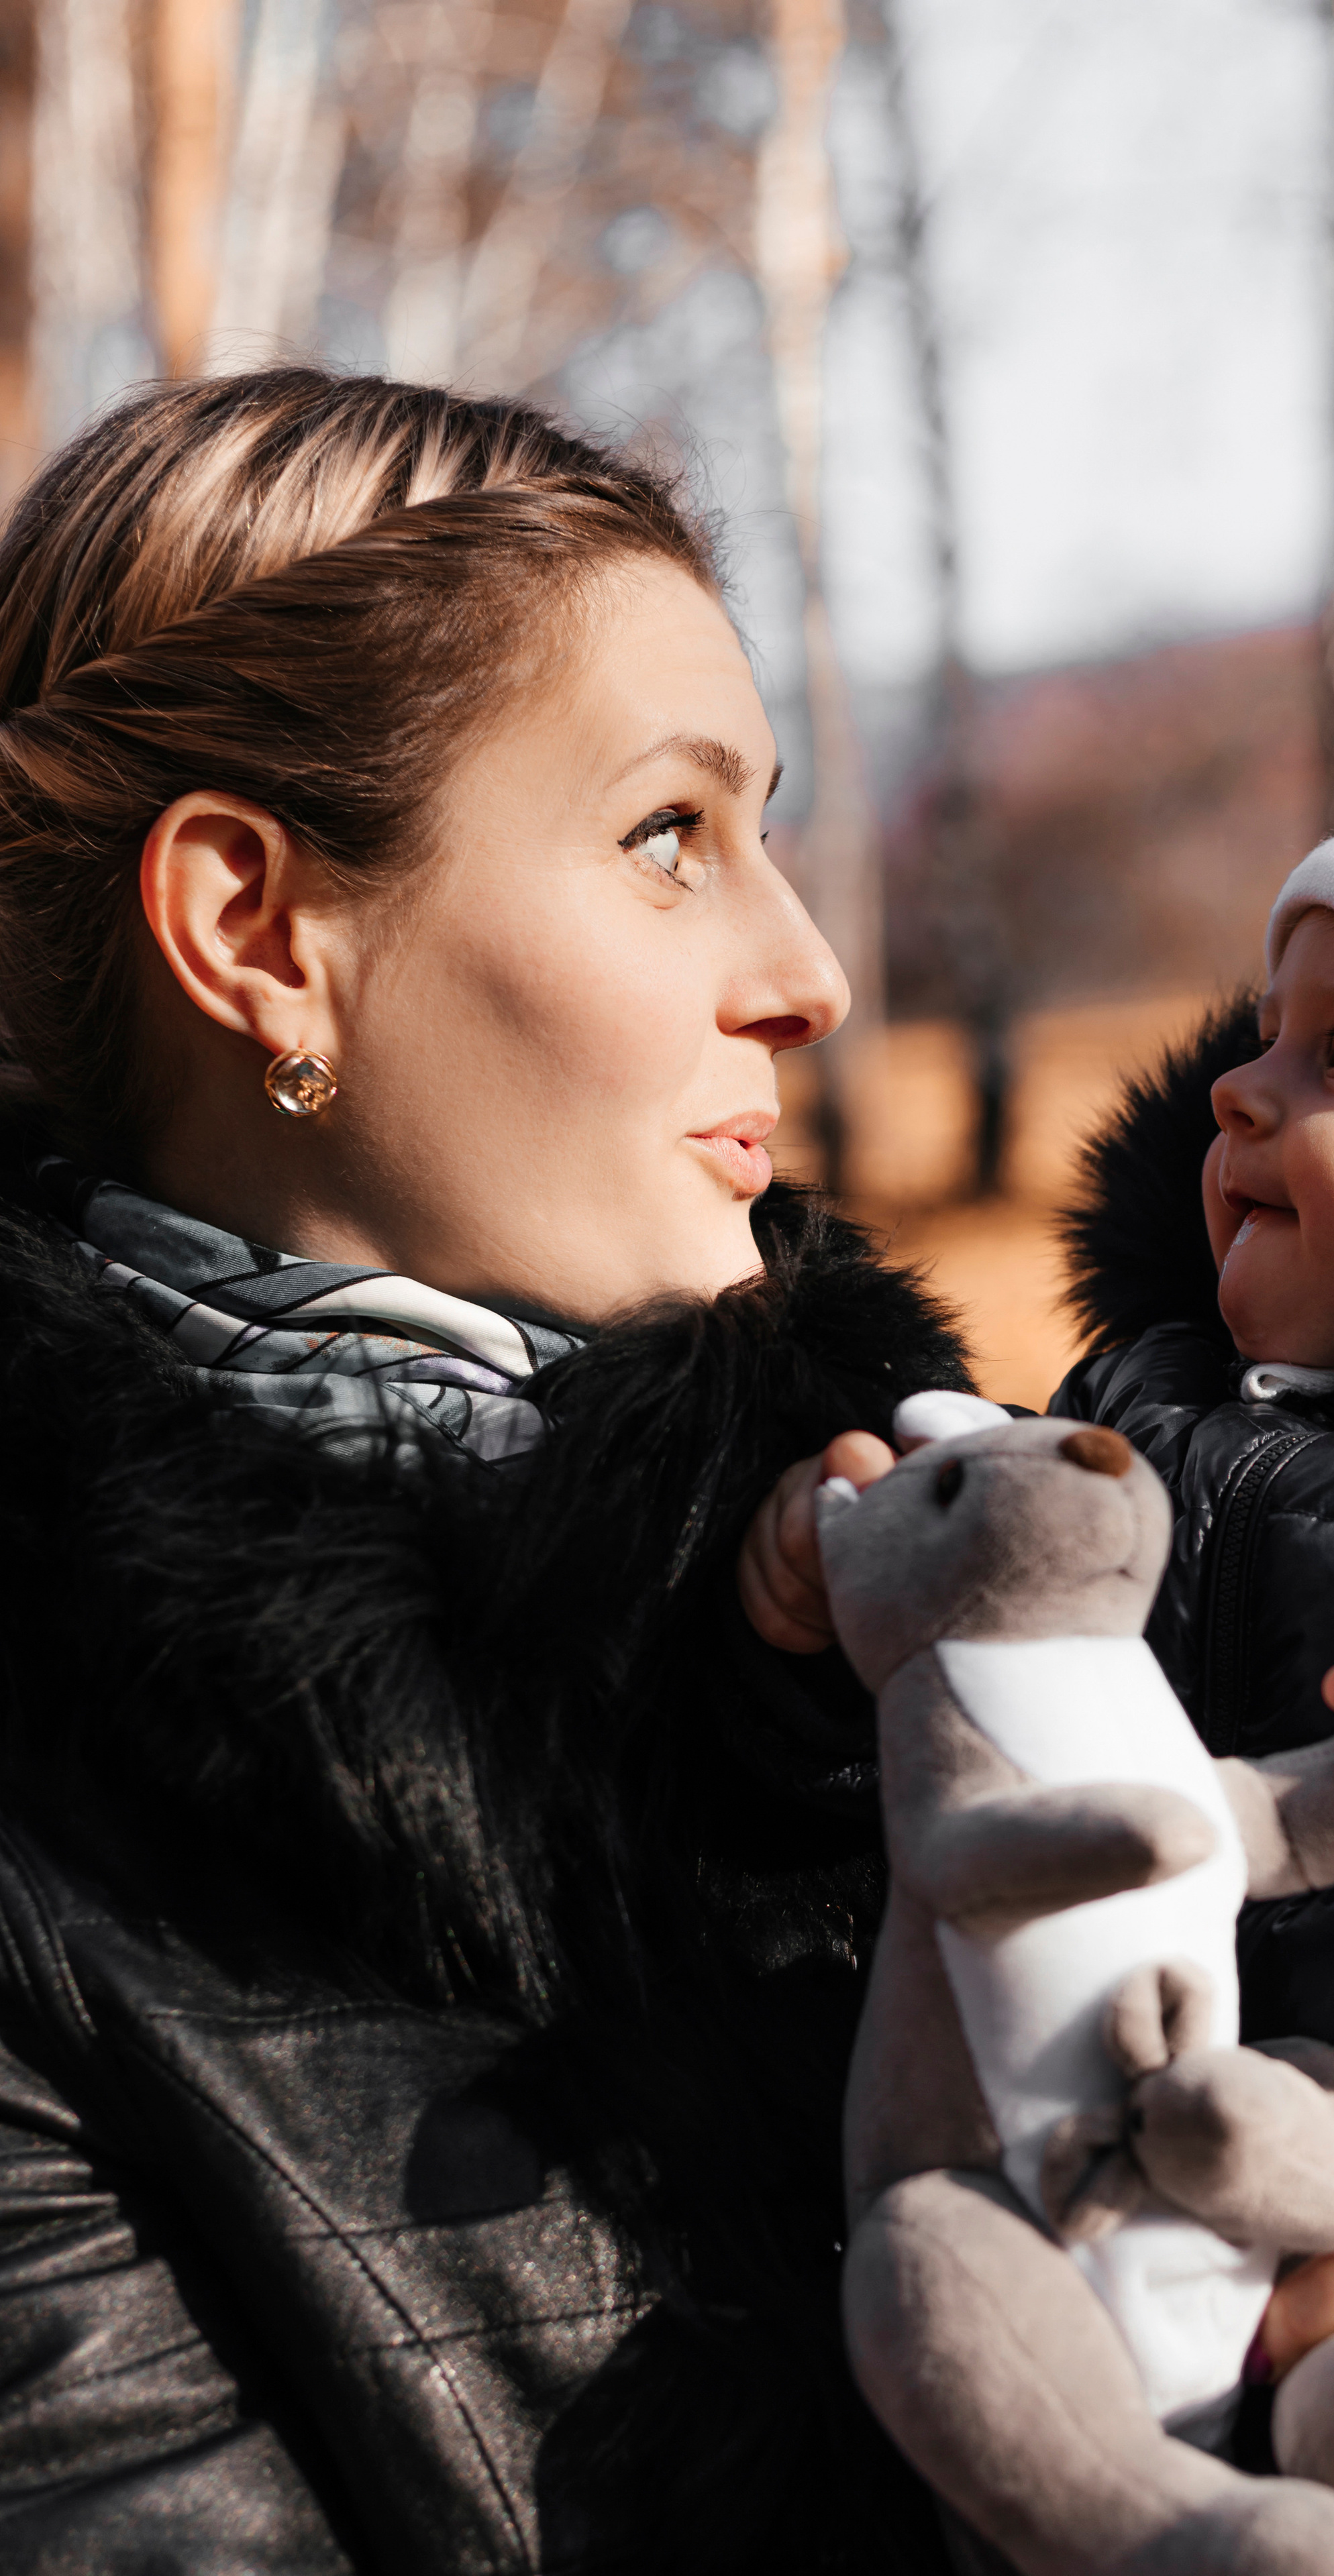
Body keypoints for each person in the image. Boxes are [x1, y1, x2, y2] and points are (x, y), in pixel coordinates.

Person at [0, 365, 977, 2572]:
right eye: (668, 836)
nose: (806, 970)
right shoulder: (53, 1842)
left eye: (771, 828)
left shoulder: (944, 1570)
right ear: (258, 929)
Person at [747, 732, 1334, 2565]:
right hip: (1171, 2168)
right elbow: (1016, 1694)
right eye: (1263, 1035)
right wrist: (874, 1586)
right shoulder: (1153, 1403)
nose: (1242, 1098)